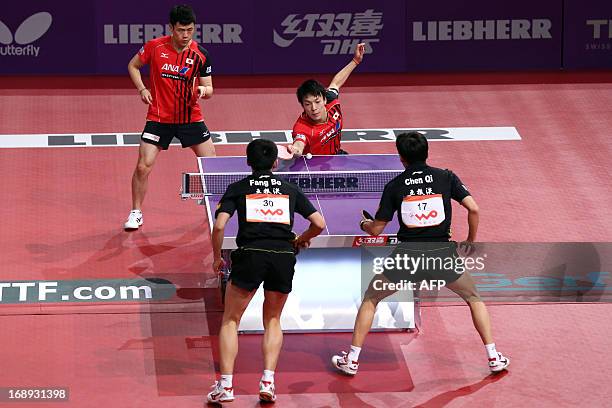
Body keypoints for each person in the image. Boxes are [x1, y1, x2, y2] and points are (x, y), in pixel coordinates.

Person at [331, 132, 510, 376]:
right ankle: (493, 357)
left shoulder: (394, 186)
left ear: (401, 158)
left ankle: (351, 360)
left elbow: (376, 230)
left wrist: (365, 225)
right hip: (442, 255)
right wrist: (470, 241)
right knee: (473, 298)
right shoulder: (446, 177)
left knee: (371, 299)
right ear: (427, 153)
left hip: (408, 256)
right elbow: (473, 208)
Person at [207, 139, 325, 404]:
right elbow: (319, 222)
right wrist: (300, 239)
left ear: (248, 163)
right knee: (272, 320)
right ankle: (268, 383)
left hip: (250, 255)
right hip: (282, 257)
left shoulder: (237, 188)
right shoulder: (289, 188)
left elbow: (219, 226)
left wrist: (216, 258)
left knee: (230, 320)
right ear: (275, 163)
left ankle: (226, 386)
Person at [124, 4, 216, 230]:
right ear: (171, 28)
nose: (186, 35)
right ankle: (136, 212)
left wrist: (203, 91)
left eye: (190, 30)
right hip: (159, 118)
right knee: (143, 167)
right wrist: (142, 89)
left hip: (190, 118)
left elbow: (210, 88)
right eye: (181, 30)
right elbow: (133, 66)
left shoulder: (200, 54)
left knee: (212, 166)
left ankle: (215, 208)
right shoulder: (155, 47)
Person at [288, 43, 365, 157]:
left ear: (324, 100)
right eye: (308, 104)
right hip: (314, 166)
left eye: (317, 102)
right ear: (303, 106)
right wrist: (296, 150)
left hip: (336, 155)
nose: (314, 108)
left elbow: (335, 83)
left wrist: (356, 60)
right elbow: (299, 142)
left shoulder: (332, 101)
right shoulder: (302, 127)